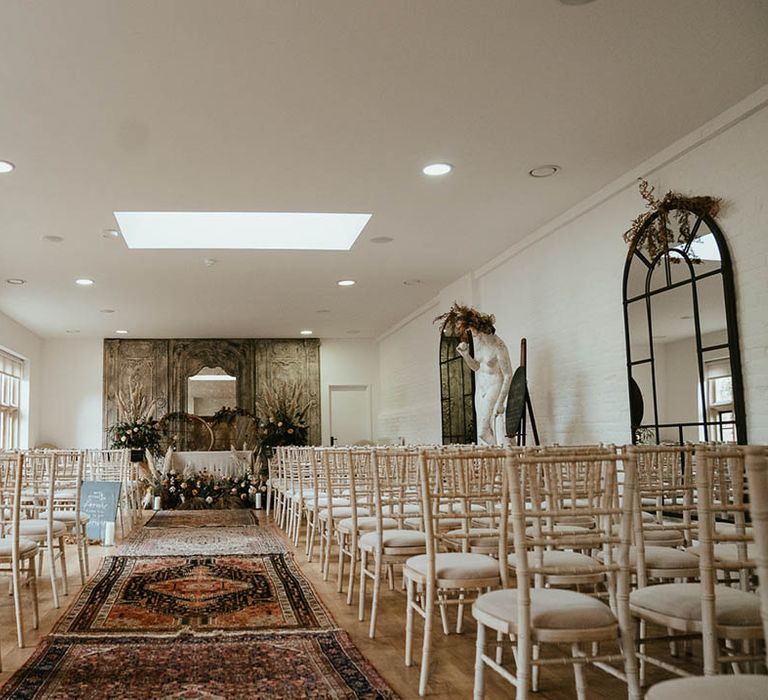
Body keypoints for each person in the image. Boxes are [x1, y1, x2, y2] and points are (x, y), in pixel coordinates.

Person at [435, 303, 513, 445]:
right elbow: (477, 367)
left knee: (484, 432)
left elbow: (508, 375)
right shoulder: (478, 343)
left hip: (494, 385)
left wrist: (501, 402)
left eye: (472, 330)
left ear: (480, 327)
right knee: (484, 431)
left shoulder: (498, 346)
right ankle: (498, 455)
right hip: (481, 388)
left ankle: (501, 455)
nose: (473, 334)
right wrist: (465, 355)